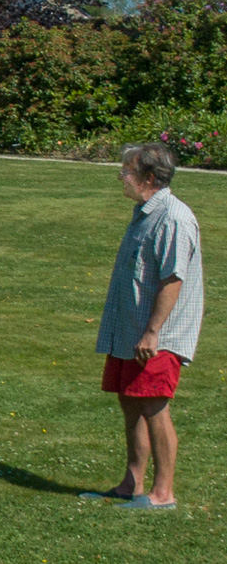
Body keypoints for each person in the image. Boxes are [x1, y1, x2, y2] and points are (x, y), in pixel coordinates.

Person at [81, 143, 204, 510]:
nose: (121, 176)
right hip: (131, 329)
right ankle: (131, 484)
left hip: (158, 335)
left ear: (149, 178)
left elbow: (172, 280)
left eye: (126, 171)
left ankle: (163, 494)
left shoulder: (173, 218)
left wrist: (153, 332)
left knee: (153, 404)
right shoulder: (144, 212)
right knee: (130, 401)